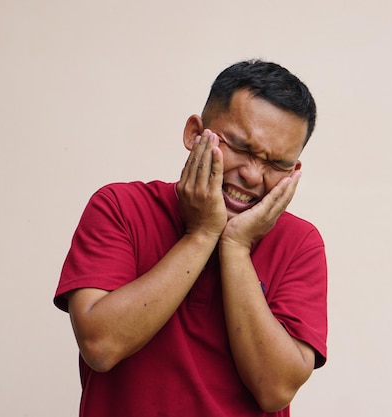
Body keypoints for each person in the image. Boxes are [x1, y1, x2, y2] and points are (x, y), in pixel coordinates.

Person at [53, 59, 328, 417]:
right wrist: (202, 234)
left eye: (277, 164)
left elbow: (275, 390)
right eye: (241, 147)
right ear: (194, 133)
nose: (252, 175)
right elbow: (100, 346)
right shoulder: (120, 207)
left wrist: (236, 247)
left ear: (295, 171)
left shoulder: (300, 243)